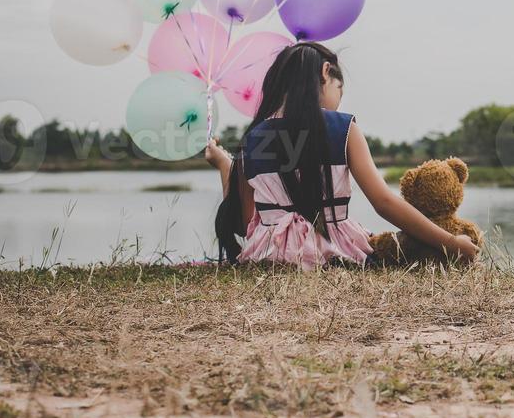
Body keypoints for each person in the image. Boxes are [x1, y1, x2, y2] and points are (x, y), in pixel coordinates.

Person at [204, 41, 479, 269]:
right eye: (339, 89)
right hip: (335, 255)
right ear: (325, 72)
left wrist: (223, 164)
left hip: (268, 258)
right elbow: (383, 202)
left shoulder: (254, 138)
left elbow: (246, 222)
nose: (339, 99)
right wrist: (451, 243)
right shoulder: (344, 128)